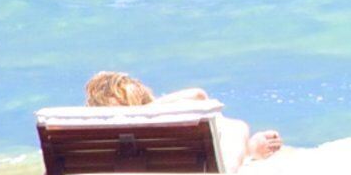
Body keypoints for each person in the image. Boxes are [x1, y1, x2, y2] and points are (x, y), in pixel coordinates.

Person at [83, 69, 285, 164]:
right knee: (235, 127)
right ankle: (248, 151)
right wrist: (144, 112)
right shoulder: (162, 129)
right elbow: (197, 96)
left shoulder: (83, 137)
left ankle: (249, 151)